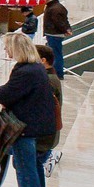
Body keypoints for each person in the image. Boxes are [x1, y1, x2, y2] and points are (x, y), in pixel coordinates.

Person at [0, 33, 56, 187]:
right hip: (36, 126)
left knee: (26, 173)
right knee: (33, 171)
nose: (6, 51)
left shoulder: (26, 72)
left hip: (24, 129)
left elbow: (5, 94)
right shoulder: (36, 68)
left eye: (7, 47)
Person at [35, 45, 64, 177]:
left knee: (31, 166)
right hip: (47, 132)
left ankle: (49, 156)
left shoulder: (48, 81)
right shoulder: (50, 76)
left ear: (43, 60)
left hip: (43, 134)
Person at [41, 0, 71, 75]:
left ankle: (57, 73)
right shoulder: (54, 6)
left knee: (55, 55)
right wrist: (67, 29)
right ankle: (56, 72)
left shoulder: (54, 8)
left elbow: (59, 22)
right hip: (53, 34)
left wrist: (65, 30)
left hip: (54, 35)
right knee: (55, 54)